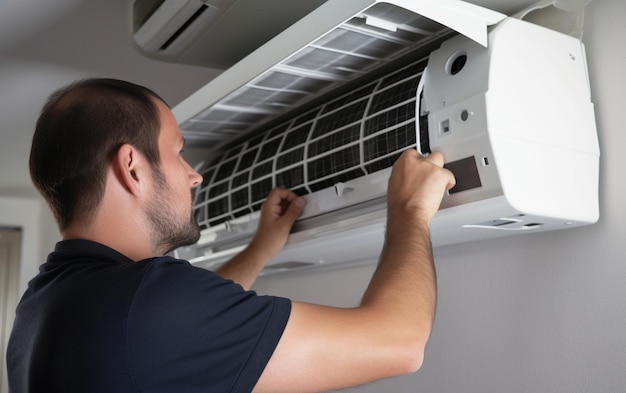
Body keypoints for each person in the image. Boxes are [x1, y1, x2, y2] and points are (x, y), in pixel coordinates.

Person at [6, 78, 456, 393]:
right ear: (132, 168)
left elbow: (184, 329)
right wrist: (410, 210)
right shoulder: (147, 301)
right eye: (178, 153)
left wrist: (259, 252)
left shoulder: (39, 307)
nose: (194, 176)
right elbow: (398, 344)